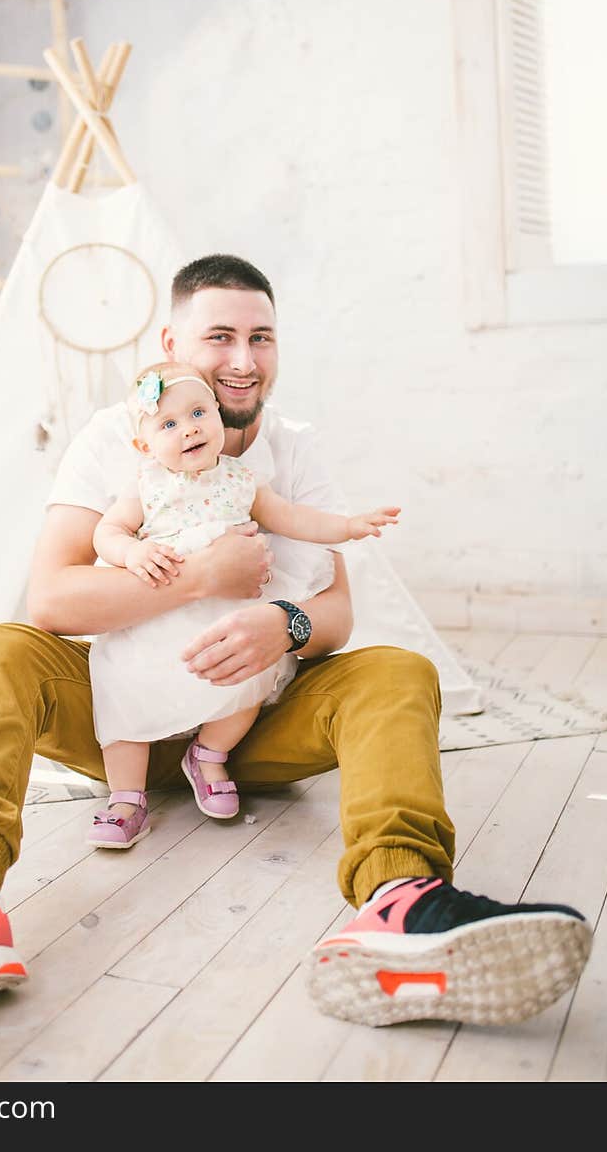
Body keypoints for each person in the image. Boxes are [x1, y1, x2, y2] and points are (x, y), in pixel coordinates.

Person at [0, 253, 593, 1028]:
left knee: (397, 671)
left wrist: (280, 624)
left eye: (262, 337)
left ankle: (404, 899)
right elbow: (51, 599)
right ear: (170, 348)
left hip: (252, 723)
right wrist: (202, 577)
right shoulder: (115, 443)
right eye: (220, 336)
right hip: (122, 718)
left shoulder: (293, 449)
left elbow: (337, 616)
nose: (243, 360)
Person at [87, 356, 399, 848]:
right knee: (125, 691)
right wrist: (133, 550)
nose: (189, 430)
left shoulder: (242, 480)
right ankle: (125, 798)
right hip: (157, 619)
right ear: (145, 445)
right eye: (169, 424)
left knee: (247, 682)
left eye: (197, 414)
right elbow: (107, 532)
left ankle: (208, 754)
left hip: (227, 619)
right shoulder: (146, 487)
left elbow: (294, 518)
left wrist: (347, 526)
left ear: (215, 412)